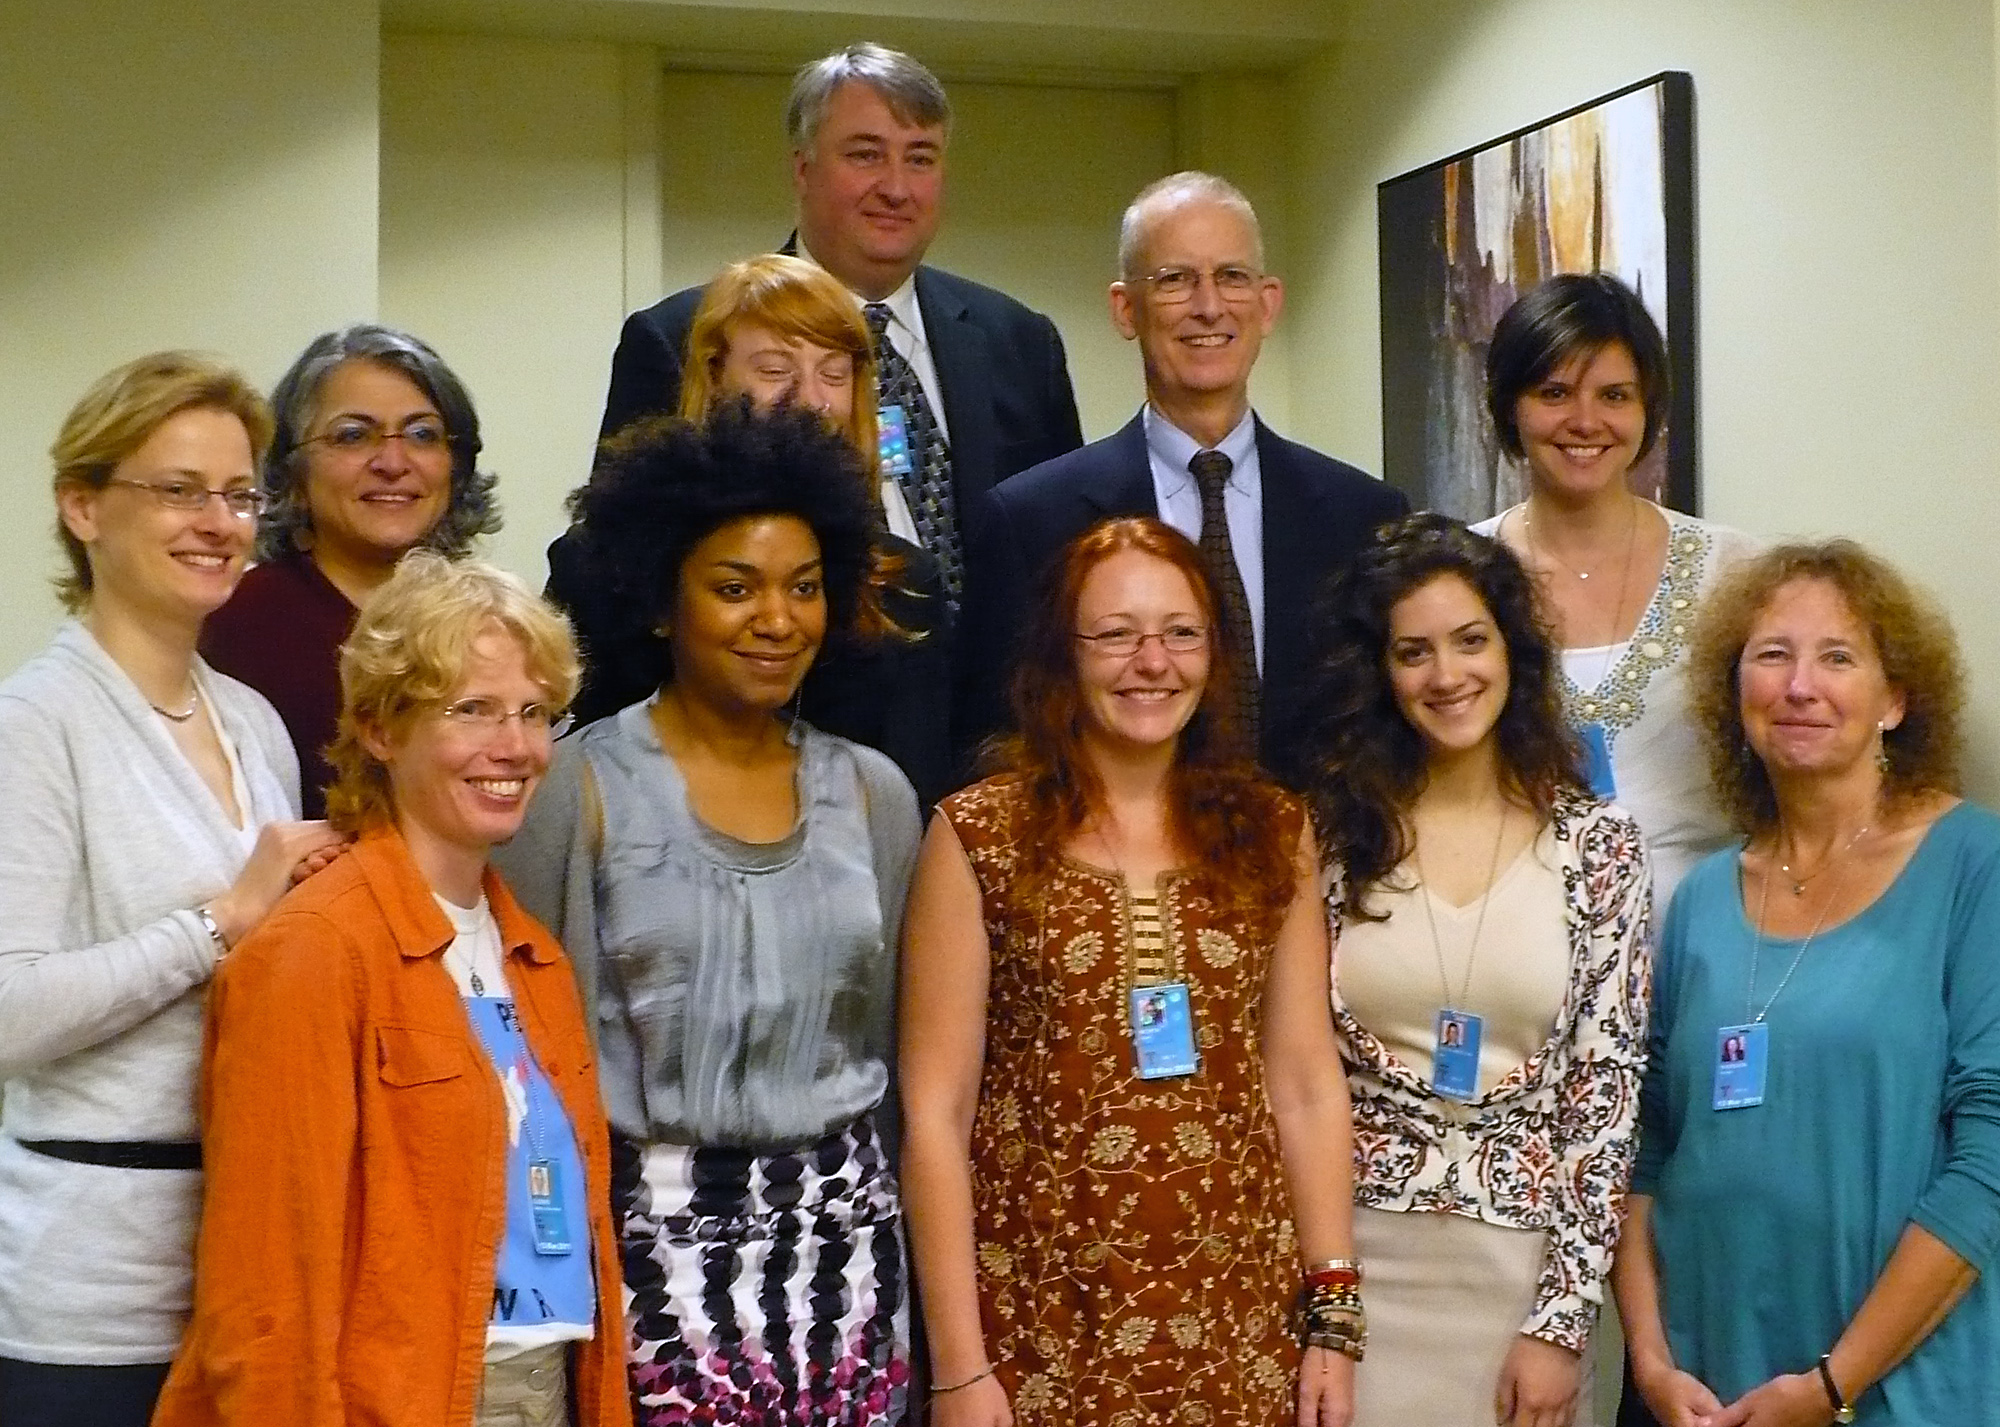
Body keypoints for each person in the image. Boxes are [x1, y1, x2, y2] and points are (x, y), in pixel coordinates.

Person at [497, 401, 922, 1424]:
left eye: (804, 586)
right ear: (660, 599)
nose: (777, 618)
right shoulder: (576, 787)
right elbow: (526, 1056)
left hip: (849, 1259)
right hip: (651, 1254)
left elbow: (892, 1045)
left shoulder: (874, 795)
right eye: (735, 587)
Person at [901, 516, 1360, 1426]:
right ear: (1061, 655)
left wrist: (1334, 1318)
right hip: (1038, 1320)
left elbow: (1306, 1083)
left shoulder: (1275, 832)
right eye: (1115, 634)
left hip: (1240, 1320)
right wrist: (958, 1366)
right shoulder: (977, 835)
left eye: (1180, 632)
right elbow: (935, 1114)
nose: (1152, 662)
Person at [153, 553, 625, 1427]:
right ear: (379, 728)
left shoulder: (536, 956)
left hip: (548, 1383)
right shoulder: (315, 949)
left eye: (532, 712)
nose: (514, 745)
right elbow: (263, 1296)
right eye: (471, 708)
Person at [0, 353, 343, 1426]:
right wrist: (222, 920)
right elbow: (9, 1012)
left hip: (247, 1267)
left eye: (239, 495)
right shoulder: (32, 726)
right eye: (179, 490)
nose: (218, 523)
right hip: (88, 1298)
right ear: (83, 507)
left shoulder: (251, 720)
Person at [1614, 541, 2000, 1426]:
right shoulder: (1703, 896)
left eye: (1838, 657)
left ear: (1896, 700)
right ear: (1734, 691)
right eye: (1772, 655)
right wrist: (1651, 1361)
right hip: (1705, 1387)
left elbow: (1989, 1159)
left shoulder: (1975, 866)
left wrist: (1833, 1385)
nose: (1799, 686)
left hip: (1902, 1390)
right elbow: (1648, 1144)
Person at [1300, 514, 1653, 1426]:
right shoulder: (1327, 840)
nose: (1446, 675)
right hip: (1354, 1277)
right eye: (1412, 651)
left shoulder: (1600, 845)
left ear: (1512, 650)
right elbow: (1296, 1078)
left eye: (1470, 640)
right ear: (1380, 671)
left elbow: (1605, 1096)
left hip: (1522, 1282)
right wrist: (1323, 1302)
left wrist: (1562, 1321)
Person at [593, 41, 1083, 611]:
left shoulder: (1020, 342)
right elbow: (617, 567)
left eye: (920, 159)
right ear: (803, 169)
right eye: (866, 155)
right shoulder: (682, 337)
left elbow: (1069, 551)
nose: (896, 188)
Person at [961, 171, 1408, 774]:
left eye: (1232, 277)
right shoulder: (1030, 521)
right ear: (1125, 309)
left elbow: (1385, 731)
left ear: (1268, 303)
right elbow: (997, 742)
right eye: (1175, 279)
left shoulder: (1366, 517)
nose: (1208, 306)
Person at [553, 253, 956, 804]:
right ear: (714, 375)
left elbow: (919, 799)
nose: (811, 399)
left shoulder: (904, 585)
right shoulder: (603, 566)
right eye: (774, 370)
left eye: (833, 374)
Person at [1474, 273, 1759, 905]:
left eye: (1614, 395)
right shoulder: (1458, 575)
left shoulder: (1734, 571)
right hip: (1516, 930)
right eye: (1554, 393)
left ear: (1647, 408)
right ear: (1510, 405)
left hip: (1703, 926)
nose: (1586, 421)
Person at [202, 324, 501, 817]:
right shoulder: (235, 625)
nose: (393, 462)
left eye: (423, 434)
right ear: (292, 472)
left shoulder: (491, 624)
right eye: (353, 436)